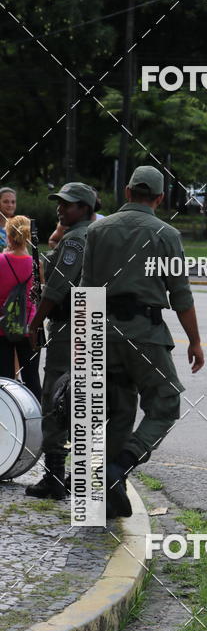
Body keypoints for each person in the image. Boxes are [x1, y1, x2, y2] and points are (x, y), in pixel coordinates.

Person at [80, 165, 205, 519]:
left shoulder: (97, 230)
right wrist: (195, 341)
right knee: (165, 403)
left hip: (101, 331)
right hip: (145, 334)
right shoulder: (165, 234)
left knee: (117, 411)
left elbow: (86, 289)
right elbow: (180, 295)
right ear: (160, 198)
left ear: (128, 191)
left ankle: (109, 493)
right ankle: (118, 469)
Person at [26, 182, 98, 499]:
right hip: (86, 324)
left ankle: (55, 477)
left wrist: (35, 321)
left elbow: (56, 289)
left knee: (55, 396)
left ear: (84, 208)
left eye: (67, 204)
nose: (60, 209)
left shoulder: (76, 241)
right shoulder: (90, 235)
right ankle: (74, 474)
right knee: (77, 399)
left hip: (70, 326)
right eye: (60, 203)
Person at [0, 215, 41, 399]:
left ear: (7, 236)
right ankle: (37, 419)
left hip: (3, 327)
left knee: (4, 380)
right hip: (30, 327)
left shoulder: (0, 261)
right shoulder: (36, 263)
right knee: (32, 379)